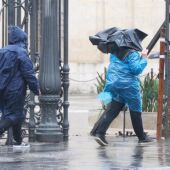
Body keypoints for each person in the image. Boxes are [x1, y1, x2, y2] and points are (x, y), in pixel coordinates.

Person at [91, 48, 153, 146]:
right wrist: (144, 58)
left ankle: (100, 133)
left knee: (114, 109)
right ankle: (142, 137)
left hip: (114, 83)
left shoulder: (114, 52)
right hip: (129, 86)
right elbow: (136, 70)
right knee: (136, 110)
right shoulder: (132, 53)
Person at [0, 26, 40, 145]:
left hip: (2, 88)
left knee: (15, 114)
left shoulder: (2, 51)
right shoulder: (21, 52)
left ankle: (18, 140)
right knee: (15, 115)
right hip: (15, 90)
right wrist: (37, 89)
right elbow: (29, 74)